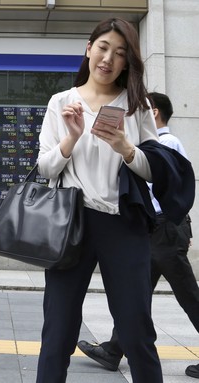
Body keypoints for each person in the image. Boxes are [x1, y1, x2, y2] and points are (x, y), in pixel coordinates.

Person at [36, 18, 164, 382]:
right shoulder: (61, 102)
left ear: (127, 63)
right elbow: (45, 169)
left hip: (123, 225)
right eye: (103, 48)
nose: (108, 58)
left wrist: (124, 147)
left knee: (137, 331)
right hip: (70, 224)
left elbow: (153, 170)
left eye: (120, 53)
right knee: (57, 334)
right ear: (88, 49)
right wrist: (71, 138)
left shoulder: (136, 106)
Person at [77, 92, 198, 377]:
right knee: (136, 294)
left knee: (188, 294)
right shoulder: (162, 144)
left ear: (153, 114)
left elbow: (171, 190)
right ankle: (113, 349)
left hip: (165, 228)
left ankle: (114, 349)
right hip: (159, 228)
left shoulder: (164, 143)